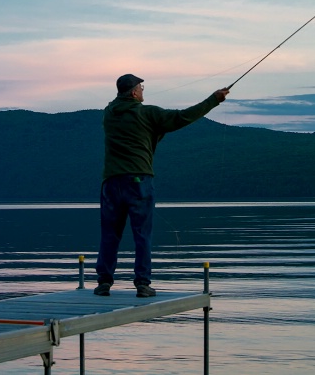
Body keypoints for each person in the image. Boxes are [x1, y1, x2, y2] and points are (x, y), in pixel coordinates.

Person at [94, 73, 230, 297]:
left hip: (110, 182)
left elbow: (145, 127)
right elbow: (182, 118)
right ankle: (142, 284)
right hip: (138, 180)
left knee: (109, 235)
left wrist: (157, 130)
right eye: (141, 87)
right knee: (142, 235)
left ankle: (103, 283)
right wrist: (214, 99)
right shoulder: (147, 113)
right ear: (135, 92)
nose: (143, 90)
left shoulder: (108, 114)